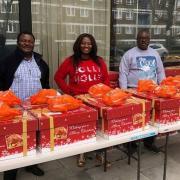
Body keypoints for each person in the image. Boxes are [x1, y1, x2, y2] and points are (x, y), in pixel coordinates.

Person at [54, 33, 111, 167]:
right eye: (83, 43)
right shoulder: (71, 61)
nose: (86, 46)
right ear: (79, 45)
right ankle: (82, 153)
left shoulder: (99, 61)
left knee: (100, 127)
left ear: (93, 46)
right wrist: (69, 92)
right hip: (79, 101)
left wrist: (103, 94)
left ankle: (100, 153)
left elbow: (106, 81)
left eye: (89, 43)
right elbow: (58, 77)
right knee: (84, 127)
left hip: (97, 101)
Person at [0, 32, 49, 180]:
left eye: (29, 41)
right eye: (23, 41)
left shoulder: (40, 61)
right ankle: (10, 173)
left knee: (35, 137)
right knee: (14, 141)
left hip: (36, 109)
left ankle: (32, 164)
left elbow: (45, 84)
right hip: (14, 110)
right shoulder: (7, 61)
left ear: (33, 43)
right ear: (18, 42)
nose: (26, 43)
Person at [119, 29, 166, 153]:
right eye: (140, 38)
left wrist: (163, 87)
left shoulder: (155, 54)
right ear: (137, 39)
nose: (143, 40)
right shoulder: (129, 54)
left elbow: (160, 72)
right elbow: (123, 73)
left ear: (149, 40)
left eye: (146, 38)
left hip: (152, 91)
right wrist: (124, 92)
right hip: (134, 91)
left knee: (152, 117)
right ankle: (130, 145)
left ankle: (149, 142)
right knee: (134, 117)